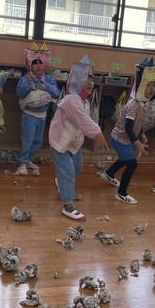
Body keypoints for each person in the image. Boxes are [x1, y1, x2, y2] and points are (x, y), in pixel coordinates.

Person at [49, 55, 108, 221]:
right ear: (76, 81)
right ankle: (68, 205)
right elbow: (83, 120)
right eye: (86, 79)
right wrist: (97, 133)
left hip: (73, 142)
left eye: (91, 79)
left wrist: (93, 132)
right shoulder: (72, 100)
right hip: (60, 142)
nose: (90, 83)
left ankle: (61, 181)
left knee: (77, 168)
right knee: (68, 172)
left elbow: (85, 121)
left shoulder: (85, 102)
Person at [99, 57, 155, 204]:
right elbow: (128, 126)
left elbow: (138, 123)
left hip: (126, 139)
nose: (152, 88)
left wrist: (142, 133)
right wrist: (137, 143)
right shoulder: (134, 105)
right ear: (139, 85)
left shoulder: (144, 103)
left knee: (126, 159)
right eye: (148, 84)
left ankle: (109, 173)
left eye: (154, 85)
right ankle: (121, 193)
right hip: (119, 139)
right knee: (132, 163)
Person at [16, 43, 60, 176]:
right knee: (28, 140)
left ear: (45, 64)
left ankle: (28, 159)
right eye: (35, 63)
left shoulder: (48, 80)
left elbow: (56, 93)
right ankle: (22, 163)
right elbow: (20, 93)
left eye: (41, 63)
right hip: (29, 114)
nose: (38, 66)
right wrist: (28, 82)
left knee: (38, 141)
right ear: (30, 65)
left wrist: (46, 87)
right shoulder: (26, 78)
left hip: (42, 115)